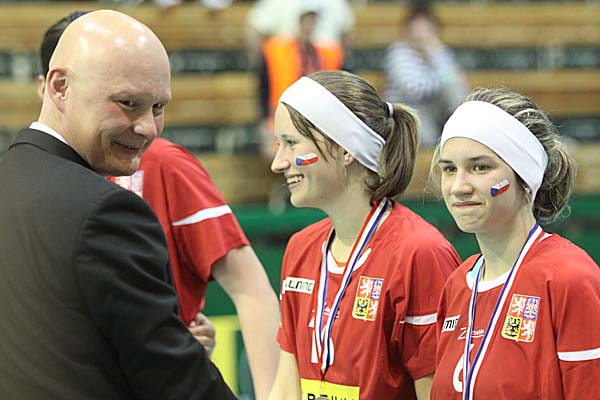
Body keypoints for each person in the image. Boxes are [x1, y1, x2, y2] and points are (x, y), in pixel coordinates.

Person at [36, 12, 280, 400]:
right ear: (52, 87)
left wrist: (270, 393)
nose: (146, 125)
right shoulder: (34, 179)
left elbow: (250, 287)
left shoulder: (164, 164)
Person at [267, 70, 461, 399]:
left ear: (345, 149)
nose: (278, 163)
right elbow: (286, 389)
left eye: (291, 143)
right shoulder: (301, 248)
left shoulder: (419, 253)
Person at [430, 87, 600, 399]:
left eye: (480, 167)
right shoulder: (458, 284)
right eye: (449, 169)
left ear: (525, 176)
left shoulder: (569, 278)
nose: (458, 187)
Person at [382, 4, 468, 147]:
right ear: (407, 30)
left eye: (425, 28)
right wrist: (443, 79)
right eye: (416, 28)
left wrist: (434, 55)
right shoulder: (398, 53)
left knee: (454, 87)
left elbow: (455, 84)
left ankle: (464, 131)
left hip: (433, 110)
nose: (420, 34)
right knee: (427, 138)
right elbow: (413, 89)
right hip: (407, 111)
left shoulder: (438, 50)